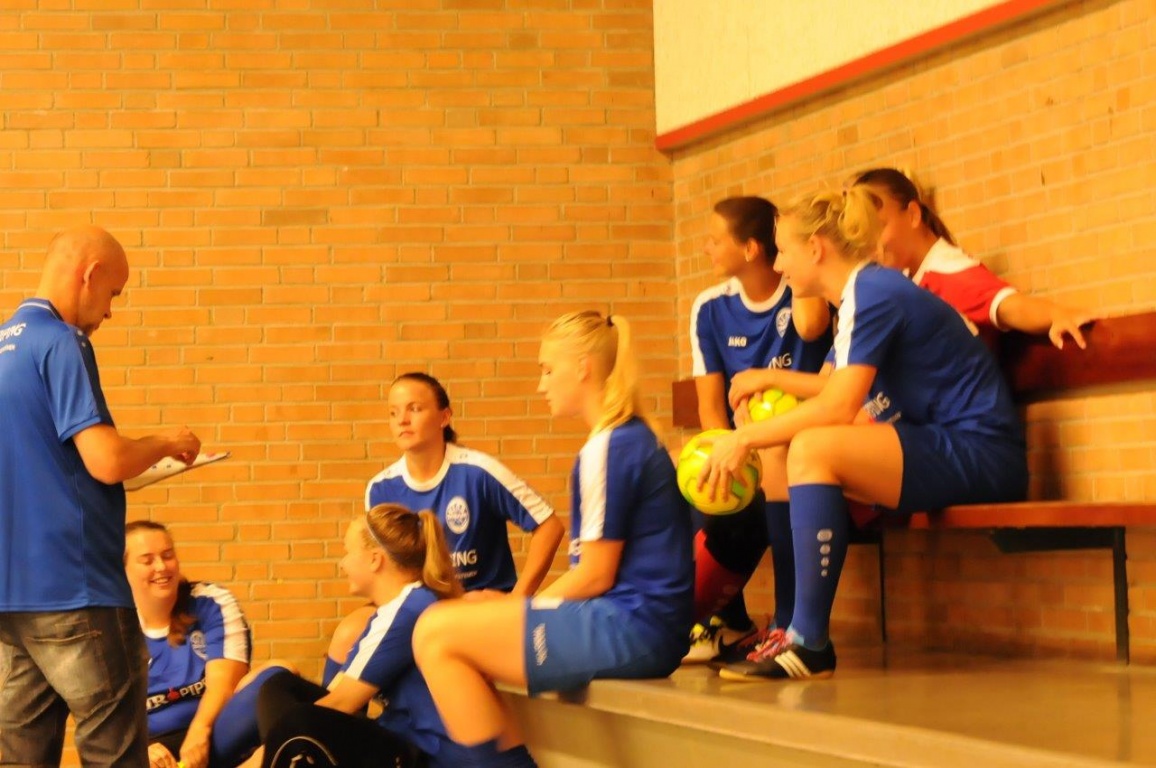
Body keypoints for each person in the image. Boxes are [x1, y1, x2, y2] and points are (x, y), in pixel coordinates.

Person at [700, 188, 1026, 681]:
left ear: (815, 248)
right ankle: (786, 626)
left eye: (783, 251)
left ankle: (809, 642)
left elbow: (838, 405)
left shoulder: (874, 291)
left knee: (810, 447)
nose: (779, 265)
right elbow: (834, 384)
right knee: (783, 452)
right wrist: (767, 383)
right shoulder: (860, 293)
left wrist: (743, 438)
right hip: (938, 444)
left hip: (981, 453)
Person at [412, 311, 694, 768]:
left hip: (636, 627)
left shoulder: (610, 446)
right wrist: (511, 609)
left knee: (435, 633)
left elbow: (596, 576)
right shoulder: (623, 437)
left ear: (582, 367)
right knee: (455, 617)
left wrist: (521, 608)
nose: (541, 384)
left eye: (547, 370)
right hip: (635, 622)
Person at [0, 226, 202, 766]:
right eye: (113, 293)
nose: (109, 312)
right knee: (114, 754)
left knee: (22, 758)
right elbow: (106, 461)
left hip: (12, 598)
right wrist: (166, 442)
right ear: (89, 275)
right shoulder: (62, 341)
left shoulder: (3, 347)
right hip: (77, 588)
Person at [685, 196, 833, 665]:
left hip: (803, 442)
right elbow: (711, 408)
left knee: (775, 459)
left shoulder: (806, 288)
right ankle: (724, 620)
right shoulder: (709, 307)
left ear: (750, 249)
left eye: (715, 240)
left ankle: (789, 623)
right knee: (692, 474)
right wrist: (727, 451)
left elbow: (812, 329)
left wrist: (797, 280)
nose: (706, 248)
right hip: (743, 446)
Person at [237, 504, 466, 768]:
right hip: (398, 739)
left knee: (300, 722)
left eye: (347, 552)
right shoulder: (393, 609)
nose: (342, 563)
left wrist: (260, 757)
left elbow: (341, 703)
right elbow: (336, 691)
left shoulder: (407, 609)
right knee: (280, 687)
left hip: (424, 756)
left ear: (374, 559)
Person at [852, 168, 1093, 351]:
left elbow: (1009, 305)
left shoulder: (947, 273)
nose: (871, 243)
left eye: (879, 227)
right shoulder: (907, 279)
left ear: (913, 215)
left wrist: (1056, 314)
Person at [127, 520, 291, 768]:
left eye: (168, 556)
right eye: (147, 561)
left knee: (276, 676)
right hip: (154, 749)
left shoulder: (211, 601)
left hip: (212, 730)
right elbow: (106, 714)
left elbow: (225, 684)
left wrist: (200, 731)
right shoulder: (113, 626)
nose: (161, 566)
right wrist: (140, 749)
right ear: (122, 571)